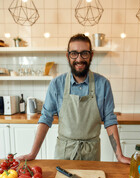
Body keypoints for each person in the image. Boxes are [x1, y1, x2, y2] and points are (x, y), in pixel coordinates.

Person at [17, 34, 130, 164]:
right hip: (64, 153)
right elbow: (45, 118)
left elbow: (110, 120)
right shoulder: (57, 84)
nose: (79, 59)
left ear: (91, 55)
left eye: (84, 53)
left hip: (91, 154)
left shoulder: (103, 84)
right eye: (74, 54)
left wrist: (119, 155)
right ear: (68, 56)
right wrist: (33, 153)